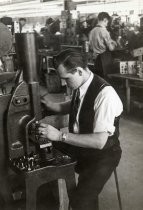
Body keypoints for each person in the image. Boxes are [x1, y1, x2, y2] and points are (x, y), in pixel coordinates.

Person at [37, 49, 123, 210]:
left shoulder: (105, 95)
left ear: (79, 70)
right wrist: (53, 106)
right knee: (41, 159)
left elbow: (99, 142)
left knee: (81, 201)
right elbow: (76, 104)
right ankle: (49, 202)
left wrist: (60, 135)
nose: (64, 83)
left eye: (66, 79)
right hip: (80, 146)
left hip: (103, 154)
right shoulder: (82, 84)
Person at [89, 12, 117, 78]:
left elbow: (90, 46)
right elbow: (111, 48)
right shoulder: (104, 31)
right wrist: (114, 44)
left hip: (96, 60)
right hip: (104, 60)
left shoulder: (92, 31)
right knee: (105, 80)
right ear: (105, 20)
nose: (107, 24)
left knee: (98, 80)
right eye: (107, 22)